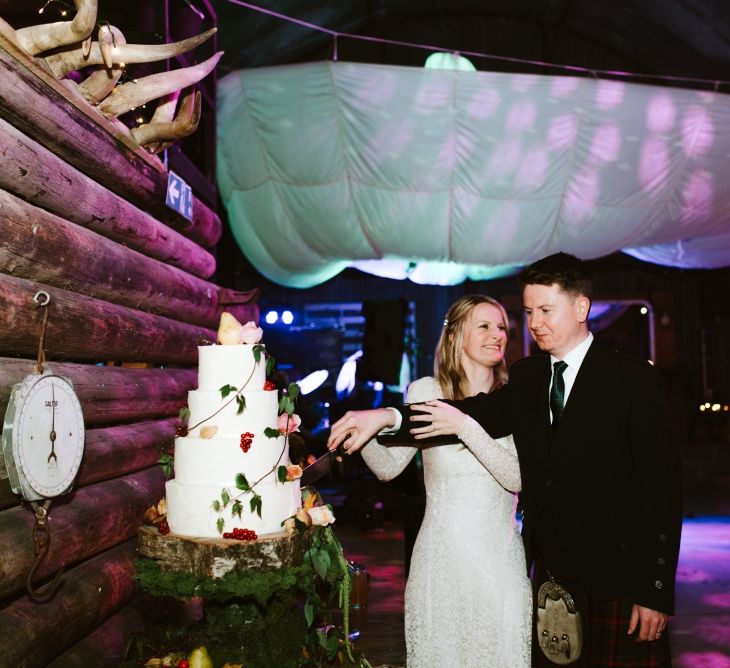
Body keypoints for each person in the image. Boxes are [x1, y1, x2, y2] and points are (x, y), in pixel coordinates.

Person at [328, 253, 683, 667]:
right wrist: (385, 416)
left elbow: (661, 493)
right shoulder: (530, 377)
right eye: (530, 312)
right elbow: (472, 412)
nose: (534, 323)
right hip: (551, 578)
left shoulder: (633, 378)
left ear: (581, 307)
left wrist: (654, 592)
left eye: (546, 311)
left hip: (617, 578)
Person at [356, 295, 531, 667]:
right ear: (455, 336)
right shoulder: (425, 392)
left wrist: (464, 427)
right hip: (440, 559)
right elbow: (390, 467)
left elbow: (516, 476)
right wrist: (363, 436)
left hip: (499, 559)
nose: (497, 334)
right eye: (484, 326)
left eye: (501, 327)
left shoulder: (514, 397)